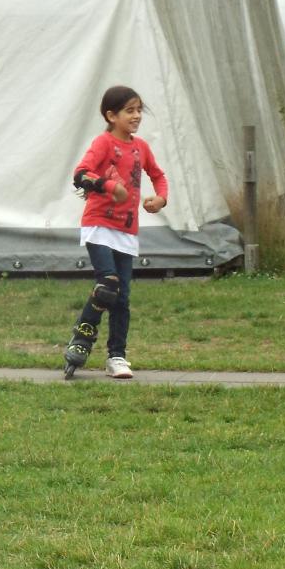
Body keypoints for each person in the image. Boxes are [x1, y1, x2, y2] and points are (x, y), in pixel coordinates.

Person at [63, 85, 168, 379]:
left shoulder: (141, 147)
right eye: (129, 111)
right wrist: (110, 186)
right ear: (111, 116)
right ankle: (82, 338)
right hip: (98, 224)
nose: (136, 116)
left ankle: (117, 356)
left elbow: (158, 175)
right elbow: (81, 174)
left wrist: (161, 199)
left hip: (126, 230)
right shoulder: (104, 143)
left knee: (121, 298)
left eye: (139, 110)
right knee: (108, 283)